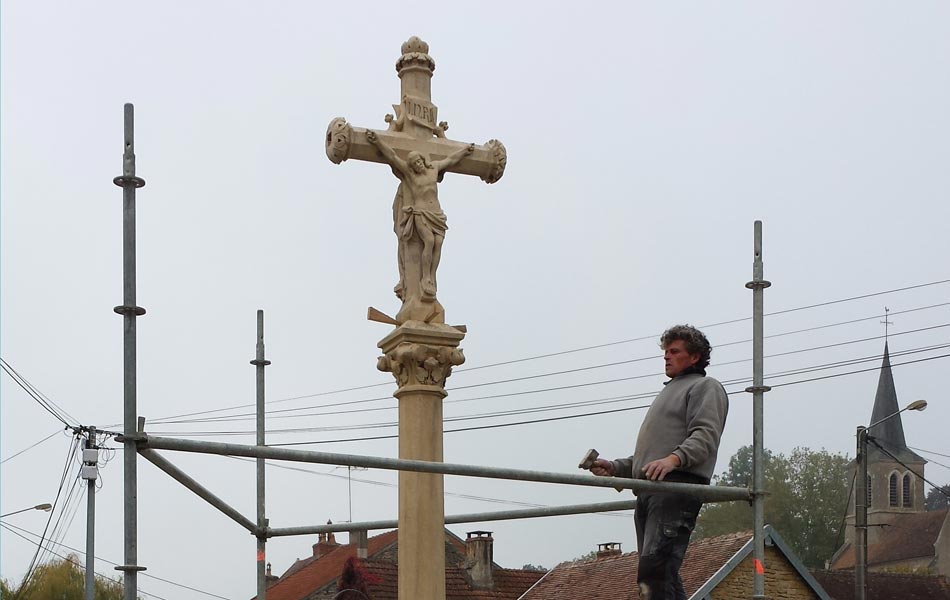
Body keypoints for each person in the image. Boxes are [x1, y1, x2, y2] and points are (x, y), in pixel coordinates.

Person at [589, 324, 728, 600]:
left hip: (676, 488)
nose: (666, 356)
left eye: (674, 351)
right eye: (665, 351)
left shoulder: (705, 387)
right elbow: (653, 458)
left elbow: (705, 437)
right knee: (663, 574)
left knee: (655, 572)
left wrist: (675, 459)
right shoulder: (668, 392)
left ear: (695, 357)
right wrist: (617, 467)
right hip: (653, 489)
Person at [366, 129, 473, 300]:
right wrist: (377, 142)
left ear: (423, 160)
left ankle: (431, 275)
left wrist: (465, 151)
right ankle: (425, 278)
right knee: (429, 242)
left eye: (418, 161)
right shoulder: (410, 176)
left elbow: (450, 159)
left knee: (438, 243)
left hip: (436, 214)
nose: (418, 164)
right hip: (420, 213)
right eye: (414, 163)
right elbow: (392, 156)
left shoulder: (434, 169)